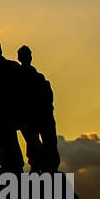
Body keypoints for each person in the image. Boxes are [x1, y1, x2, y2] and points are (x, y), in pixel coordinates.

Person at [16, 44, 60, 172]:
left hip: (38, 116)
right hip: (34, 116)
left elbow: (48, 98)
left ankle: (45, 167)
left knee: (43, 142)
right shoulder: (32, 78)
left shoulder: (37, 77)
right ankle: (41, 166)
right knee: (37, 142)